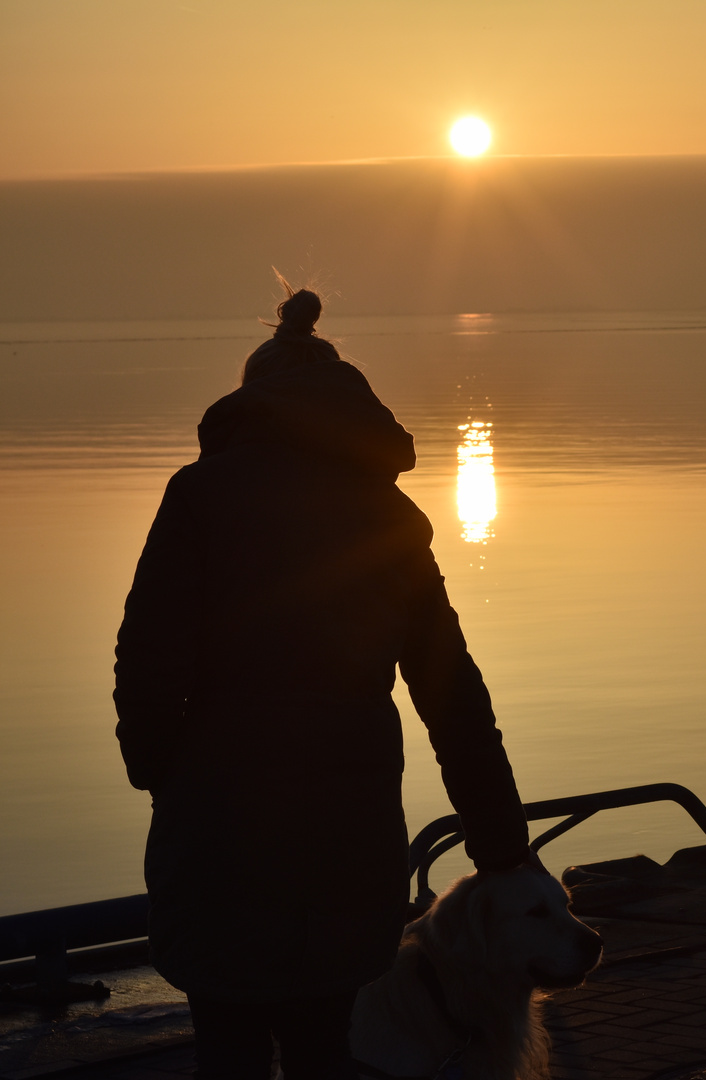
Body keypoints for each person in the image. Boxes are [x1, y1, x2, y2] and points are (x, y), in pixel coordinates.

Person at [114, 279, 532, 1080]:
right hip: (346, 823)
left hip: (219, 813)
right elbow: (450, 690)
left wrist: (155, 763)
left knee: (228, 1047)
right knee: (324, 1047)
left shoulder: (199, 496)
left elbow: (148, 654)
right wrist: (499, 836)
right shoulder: (390, 517)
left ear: (251, 400)